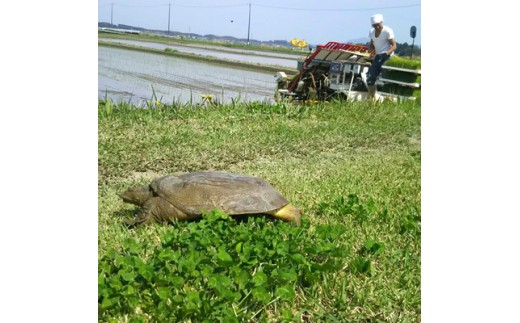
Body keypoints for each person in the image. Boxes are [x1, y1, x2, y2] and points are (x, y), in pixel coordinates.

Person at [365, 14, 397, 100]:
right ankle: (372, 99)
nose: (377, 27)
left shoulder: (387, 31)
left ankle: (389, 99)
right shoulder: (371, 32)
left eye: (378, 25)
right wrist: (368, 52)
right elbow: (372, 44)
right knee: (370, 78)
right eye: (375, 26)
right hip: (378, 57)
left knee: (386, 79)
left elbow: (394, 46)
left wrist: (386, 53)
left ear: (382, 22)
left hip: (387, 57)